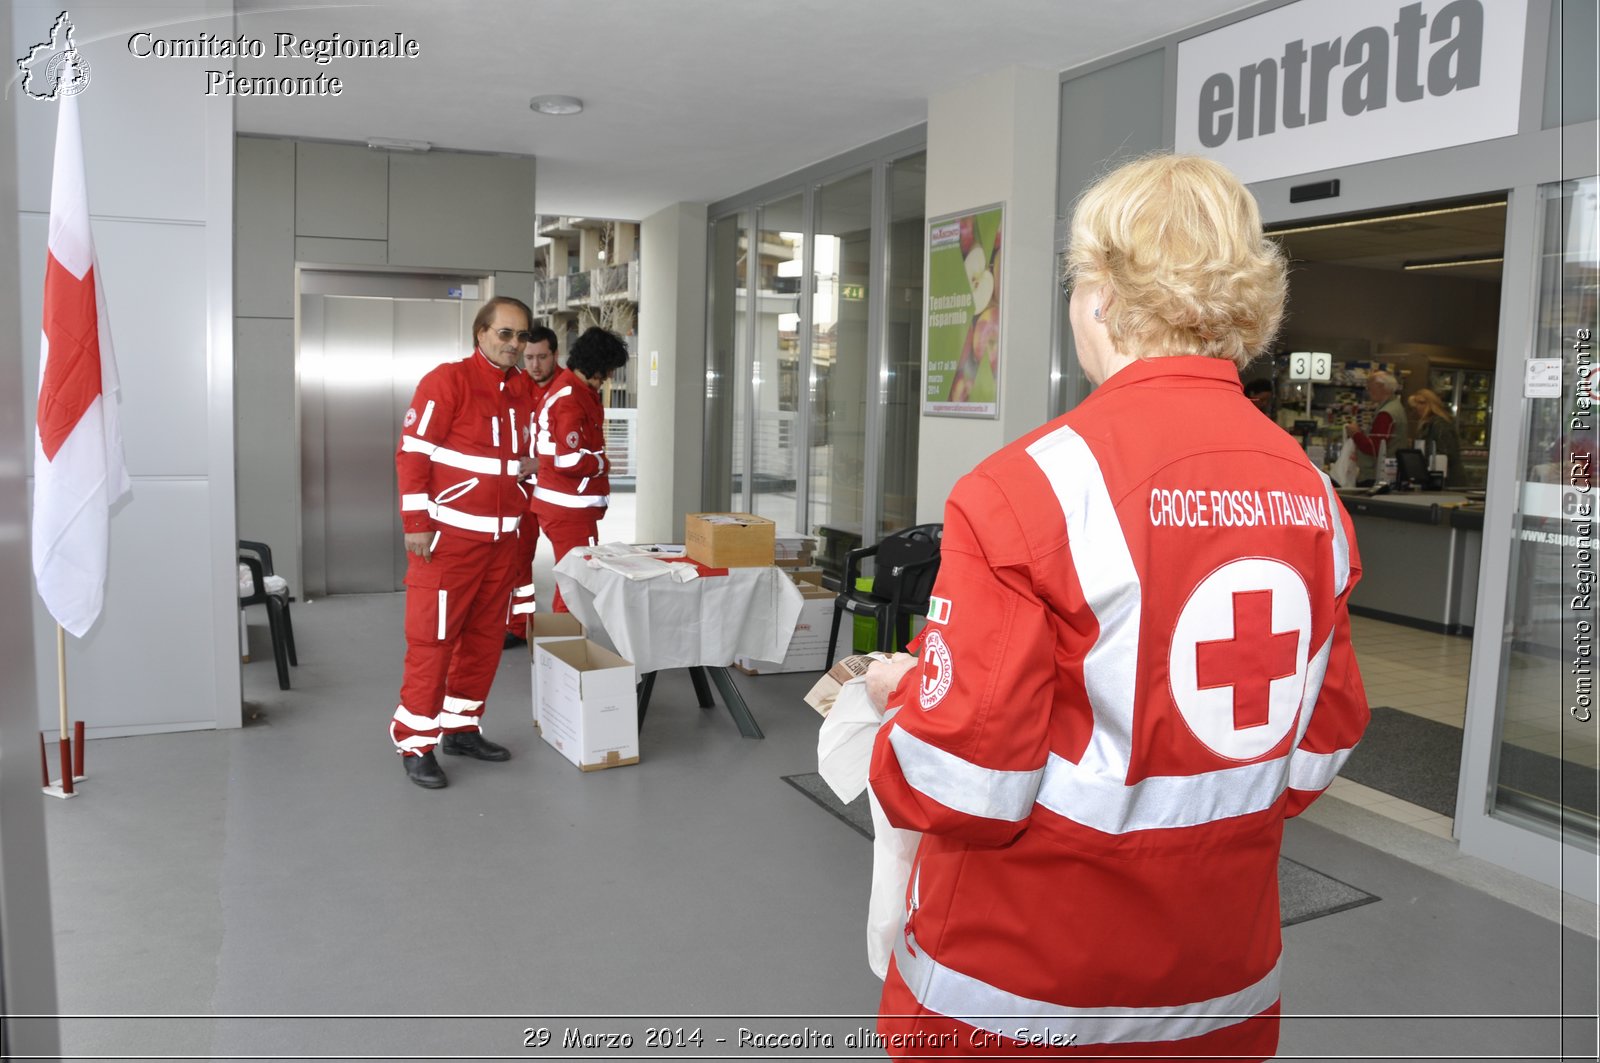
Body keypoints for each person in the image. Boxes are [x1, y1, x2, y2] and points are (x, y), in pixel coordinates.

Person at [863, 154, 1370, 1062]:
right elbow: (1312, 757)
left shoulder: (1026, 491)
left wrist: (905, 701)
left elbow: (961, 784)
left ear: (1101, 296)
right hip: (1220, 987)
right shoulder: (1315, 498)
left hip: (1019, 990)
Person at [389, 296, 537, 789]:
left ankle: (461, 728)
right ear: (481, 333)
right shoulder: (446, 381)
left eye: (521, 336)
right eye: (504, 334)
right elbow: (413, 455)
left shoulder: (520, 389)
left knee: (484, 640)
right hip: (448, 542)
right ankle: (415, 742)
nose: (514, 344)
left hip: (500, 544)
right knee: (432, 642)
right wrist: (416, 521)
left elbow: (516, 458)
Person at [530, 326, 630, 611]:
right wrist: (603, 463)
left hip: (567, 507)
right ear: (599, 366)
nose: (610, 377)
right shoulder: (570, 399)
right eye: (609, 369)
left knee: (574, 583)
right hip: (568, 511)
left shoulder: (573, 391)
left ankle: (562, 650)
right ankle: (562, 652)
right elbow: (569, 460)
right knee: (576, 587)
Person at [504, 325, 562, 649]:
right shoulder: (515, 385)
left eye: (542, 357)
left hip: (561, 494)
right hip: (524, 490)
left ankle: (563, 633)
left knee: (569, 566)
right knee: (518, 559)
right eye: (529, 358)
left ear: (555, 355)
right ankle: (519, 626)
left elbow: (579, 448)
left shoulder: (570, 388)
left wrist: (540, 463)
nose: (535, 365)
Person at [1349, 369, 1407, 484]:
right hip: (1389, 472)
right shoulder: (1396, 407)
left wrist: (1355, 433)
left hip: (1375, 475)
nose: (1368, 389)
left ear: (1381, 386)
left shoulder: (1386, 413)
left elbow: (1375, 448)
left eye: (1370, 386)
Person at [1406, 387, 1465, 488]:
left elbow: (1445, 454)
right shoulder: (1428, 424)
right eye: (1416, 404)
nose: (1418, 407)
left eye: (1422, 403)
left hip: (1446, 480)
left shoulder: (1440, 424)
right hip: (1436, 478)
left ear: (1432, 404)